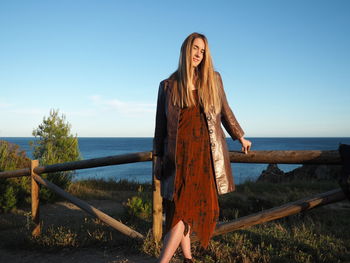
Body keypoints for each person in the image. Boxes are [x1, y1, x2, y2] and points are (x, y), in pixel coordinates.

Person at [153, 32, 252, 263]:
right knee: (179, 208)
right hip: (177, 156)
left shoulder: (213, 79)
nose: (199, 54)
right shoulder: (167, 86)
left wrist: (240, 136)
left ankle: (164, 261)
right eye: (196, 48)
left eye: (203, 51)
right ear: (186, 50)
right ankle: (187, 257)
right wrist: (158, 157)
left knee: (183, 209)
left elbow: (225, 111)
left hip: (204, 156)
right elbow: (160, 126)